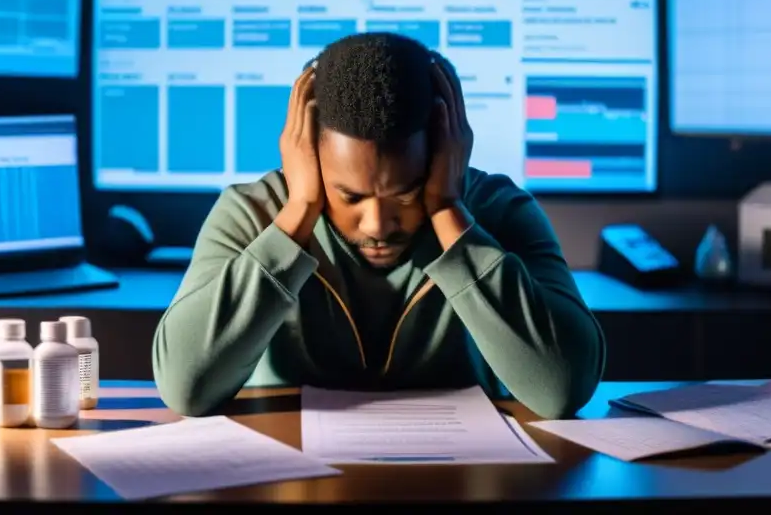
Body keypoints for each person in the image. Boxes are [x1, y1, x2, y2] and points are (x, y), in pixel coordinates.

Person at [153, 32, 606, 419]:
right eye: (349, 196)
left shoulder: (499, 212)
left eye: (406, 193)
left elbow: (561, 389)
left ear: (446, 153)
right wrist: (298, 213)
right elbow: (185, 388)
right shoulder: (252, 214)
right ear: (305, 152)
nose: (377, 224)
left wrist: (450, 212)